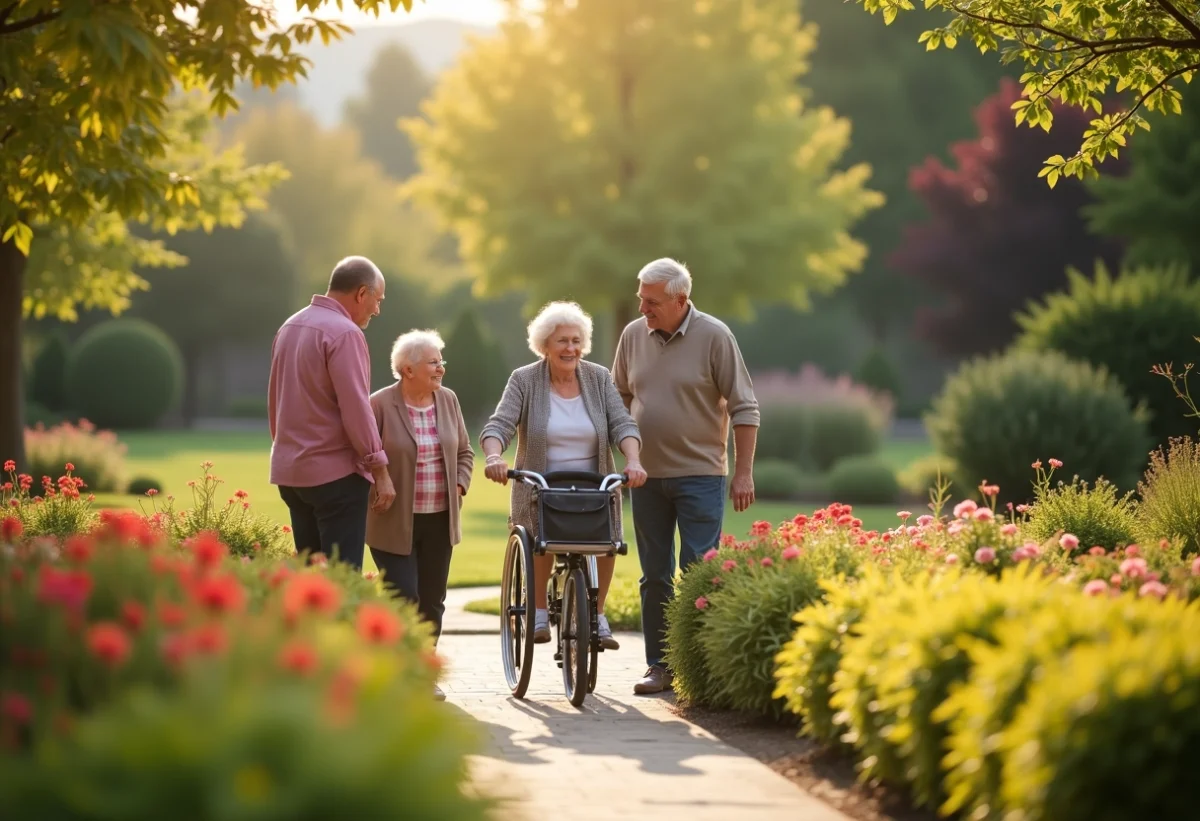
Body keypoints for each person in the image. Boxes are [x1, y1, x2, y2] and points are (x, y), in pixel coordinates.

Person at [611, 258, 760, 695]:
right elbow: (618, 396)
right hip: (646, 478)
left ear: (681, 300)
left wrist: (744, 473)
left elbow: (744, 407)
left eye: (651, 301)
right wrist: (627, 451)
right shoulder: (633, 336)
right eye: (640, 298)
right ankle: (659, 666)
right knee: (654, 574)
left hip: (701, 476)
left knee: (698, 571)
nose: (642, 308)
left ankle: (697, 665)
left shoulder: (715, 335)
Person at [481, 301, 647, 649]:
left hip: (594, 483)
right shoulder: (524, 380)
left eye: (576, 340)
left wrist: (633, 461)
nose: (570, 348)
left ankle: (598, 615)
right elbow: (500, 424)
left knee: (608, 542)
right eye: (562, 341)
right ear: (545, 345)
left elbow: (622, 423)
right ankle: (539, 610)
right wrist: (495, 455)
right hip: (541, 485)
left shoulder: (599, 378)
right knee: (540, 538)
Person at [269, 255, 396, 570]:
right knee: (342, 581)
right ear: (361, 293)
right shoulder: (345, 333)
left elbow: (276, 400)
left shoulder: (290, 326)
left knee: (311, 584)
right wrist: (380, 470)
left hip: (292, 474)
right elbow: (356, 408)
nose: (377, 309)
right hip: (335, 478)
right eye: (377, 300)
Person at [366, 330, 473, 702]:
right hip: (393, 519)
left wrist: (459, 486)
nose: (441, 367)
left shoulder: (448, 400)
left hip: (440, 518)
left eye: (441, 361)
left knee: (431, 599)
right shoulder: (379, 404)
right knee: (403, 595)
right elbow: (362, 456)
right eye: (433, 362)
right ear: (407, 369)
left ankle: (423, 673)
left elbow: (464, 452)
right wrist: (378, 483)